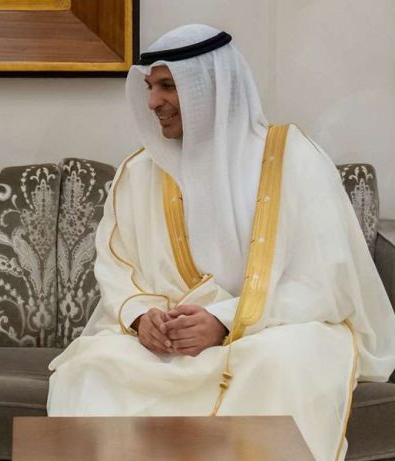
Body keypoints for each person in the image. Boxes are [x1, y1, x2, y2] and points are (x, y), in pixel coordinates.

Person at [47, 24, 395, 460]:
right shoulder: (139, 172)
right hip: (168, 345)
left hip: (272, 331)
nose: (153, 102)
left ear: (209, 87)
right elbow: (117, 265)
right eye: (150, 87)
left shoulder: (292, 158)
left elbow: (325, 280)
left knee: (280, 364)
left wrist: (225, 321)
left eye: (168, 86)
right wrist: (141, 317)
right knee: (90, 367)